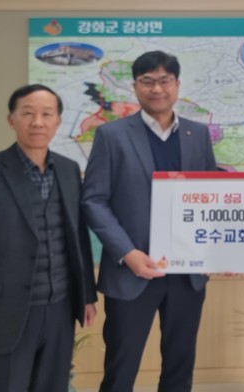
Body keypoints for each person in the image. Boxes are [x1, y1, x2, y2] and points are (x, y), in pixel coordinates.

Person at [0, 84, 97, 392]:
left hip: (60, 309)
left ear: (58, 121)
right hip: (3, 313)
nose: (37, 122)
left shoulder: (69, 170)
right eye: (27, 113)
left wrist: (87, 295)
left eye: (47, 114)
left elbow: (77, 237)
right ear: (11, 120)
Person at [82, 50, 217, 392]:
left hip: (187, 275)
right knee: (120, 370)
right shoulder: (111, 135)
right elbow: (94, 200)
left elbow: (211, 196)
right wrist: (127, 253)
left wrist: (216, 252)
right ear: (135, 87)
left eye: (164, 80)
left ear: (177, 85)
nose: (157, 89)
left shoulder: (198, 135)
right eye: (147, 81)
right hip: (132, 272)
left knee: (179, 369)